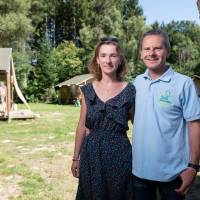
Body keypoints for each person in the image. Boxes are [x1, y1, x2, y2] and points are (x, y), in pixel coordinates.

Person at [132, 29, 200, 200]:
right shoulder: (136, 83)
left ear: (168, 52)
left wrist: (193, 167)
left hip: (174, 174)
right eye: (147, 49)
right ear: (141, 54)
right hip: (139, 172)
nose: (151, 53)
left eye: (158, 48)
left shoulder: (184, 83)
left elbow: (195, 125)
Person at [71, 37, 135, 200]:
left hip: (120, 154)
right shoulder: (87, 91)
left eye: (113, 55)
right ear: (97, 60)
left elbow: (139, 126)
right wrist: (75, 158)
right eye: (104, 55)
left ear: (120, 60)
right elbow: (82, 127)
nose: (108, 60)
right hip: (92, 153)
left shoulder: (130, 90)